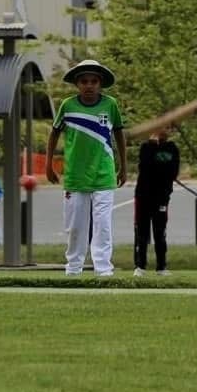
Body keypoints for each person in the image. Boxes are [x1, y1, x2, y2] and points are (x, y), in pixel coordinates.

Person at [46, 58, 128, 277]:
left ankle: (103, 269)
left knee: (102, 223)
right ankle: (73, 269)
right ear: (77, 84)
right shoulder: (68, 105)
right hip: (75, 175)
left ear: (100, 84)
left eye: (93, 81)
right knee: (75, 225)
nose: (89, 85)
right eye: (84, 81)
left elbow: (119, 133)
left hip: (104, 174)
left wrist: (123, 167)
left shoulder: (110, 104)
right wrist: (49, 165)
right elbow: (54, 133)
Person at [133, 126, 181, 277]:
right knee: (142, 233)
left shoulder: (172, 149)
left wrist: (159, 168)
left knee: (160, 233)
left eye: (168, 128)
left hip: (161, 197)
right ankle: (140, 266)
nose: (164, 131)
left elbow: (172, 171)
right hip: (143, 196)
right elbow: (145, 167)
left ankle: (161, 267)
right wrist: (153, 146)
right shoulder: (146, 147)